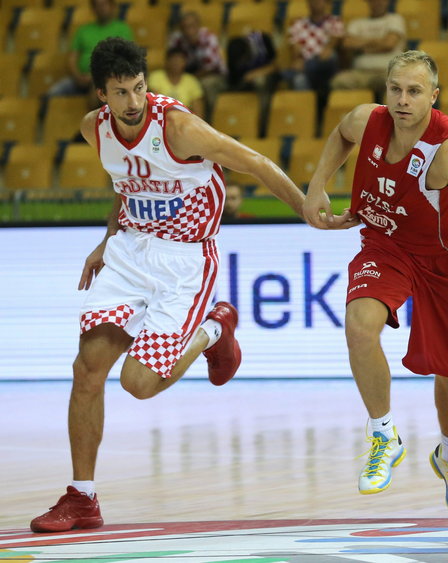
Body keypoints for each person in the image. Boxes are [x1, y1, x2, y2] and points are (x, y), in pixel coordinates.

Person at [29, 37, 318, 533]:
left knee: (138, 384)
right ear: (102, 95)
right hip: (129, 254)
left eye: (139, 88)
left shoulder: (179, 127)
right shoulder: (91, 130)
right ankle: (82, 498)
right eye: (121, 93)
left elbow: (258, 163)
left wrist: (312, 213)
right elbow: (126, 186)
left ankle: (214, 329)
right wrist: (107, 239)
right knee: (86, 369)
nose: (134, 102)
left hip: (184, 262)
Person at [302, 50, 448, 518]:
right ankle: (383, 434)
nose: (403, 100)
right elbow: (341, 135)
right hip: (386, 243)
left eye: (414, 91)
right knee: (359, 325)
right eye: (396, 89)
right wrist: (318, 183)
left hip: (446, 260)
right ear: (385, 90)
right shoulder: (367, 119)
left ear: (434, 96)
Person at [46, 0, 133, 110]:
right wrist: (77, 77)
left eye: (104, 5)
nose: (101, 8)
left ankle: (94, 122)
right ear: (93, 9)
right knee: (53, 94)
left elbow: (126, 58)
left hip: (111, 78)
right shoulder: (83, 30)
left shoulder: (123, 29)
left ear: (112, 6)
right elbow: (71, 59)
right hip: (81, 79)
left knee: (100, 87)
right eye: (97, 6)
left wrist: (98, 77)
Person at [331, 0, 406, 100]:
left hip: (387, 72)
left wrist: (361, 46)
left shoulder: (395, 19)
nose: (377, 3)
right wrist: (378, 41)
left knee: (393, 83)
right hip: (361, 73)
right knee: (339, 81)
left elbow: (389, 44)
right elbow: (347, 43)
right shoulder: (357, 23)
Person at [283, 0, 345, 113]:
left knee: (332, 57)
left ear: (327, 3)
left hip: (327, 69)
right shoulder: (297, 24)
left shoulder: (335, 22)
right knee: (299, 79)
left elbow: (333, 45)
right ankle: (305, 119)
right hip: (308, 71)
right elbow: (295, 51)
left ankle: (287, 73)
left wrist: (325, 51)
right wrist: (299, 59)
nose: (316, 2)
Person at [167, 10, 227, 121]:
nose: (188, 30)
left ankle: (209, 122)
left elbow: (211, 67)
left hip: (214, 75)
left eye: (192, 26)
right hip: (189, 73)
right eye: (184, 27)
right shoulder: (177, 39)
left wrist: (191, 79)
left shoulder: (209, 37)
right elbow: (172, 58)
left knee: (206, 84)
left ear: (198, 25)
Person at [148, 46, 205, 119]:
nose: (176, 63)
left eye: (179, 60)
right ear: (167, 61)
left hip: (186, 121)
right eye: (173, 60)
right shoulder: (156, 77)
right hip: (161, 119)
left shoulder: (192, 81)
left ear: (185, 62)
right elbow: (155, 105)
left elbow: (199, 114)